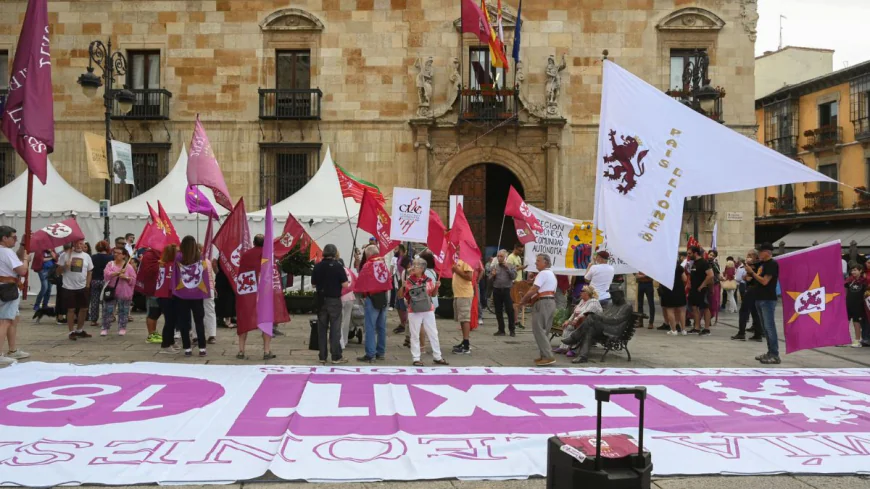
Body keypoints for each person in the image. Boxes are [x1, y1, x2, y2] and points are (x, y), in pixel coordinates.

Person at [236, 235, 277, 360]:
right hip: (264, 292)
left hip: (248, 291)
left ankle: (241, 350)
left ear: (253, 242)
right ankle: (266, 351)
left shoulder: (246, 255)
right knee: (266, 320)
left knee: (244, 319)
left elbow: (241, 273)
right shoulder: (267, 256)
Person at [403, 256, 448, 366]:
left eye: (416, 265)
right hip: (414, 310)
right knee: (414, 334)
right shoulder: (408, 280)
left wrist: (437, 287)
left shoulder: (428, 280)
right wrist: (403, 286)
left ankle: (437, 356)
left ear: (423, 268)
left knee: (433, 332)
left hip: (428, 309)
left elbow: (432, 294)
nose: (413, 267)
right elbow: (402, 295)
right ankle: (416, 358)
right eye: (413, 264)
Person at [312, 244, 349, 364]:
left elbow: (313, 284)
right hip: (334, 300)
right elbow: (345, 285)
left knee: (322, 328)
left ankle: (322, 356)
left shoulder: (317, 266)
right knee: (335, 329)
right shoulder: (338, 266)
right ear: (334, 253)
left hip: (321, 300)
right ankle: (336, 356)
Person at [519, 254, 558, 366]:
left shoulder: (543, 273)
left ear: (545, 262)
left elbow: (534, 289)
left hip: (542, 302)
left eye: (538, 261)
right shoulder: (551, 274)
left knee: (539, 330)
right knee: (544, 330)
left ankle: (548, 356)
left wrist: (523, 300)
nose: (536, 263)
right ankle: (544, 355)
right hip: (549, 302)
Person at [173, 236, 208, 357]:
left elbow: (175, 275)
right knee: (199, 321)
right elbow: (204, 275)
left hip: (182, 294)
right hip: (197, 294)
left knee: (183, 321)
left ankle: (187, 348)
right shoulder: (199, 257)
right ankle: (202, 348)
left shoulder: (178, 257)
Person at [746, 242, 780, 364]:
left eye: (760, 252)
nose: (758, 254)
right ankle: (769, 352)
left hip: (768, 299)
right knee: (765, 327)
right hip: (759, 298)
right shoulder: (762, 264)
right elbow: (751, 278)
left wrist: (752, 273)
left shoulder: (772, 264)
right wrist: (749, 272)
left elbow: (765, 281)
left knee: (770, 327)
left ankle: (774, 354)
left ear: (767, 252)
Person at [0, 226, 30, 365]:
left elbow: (15, 259)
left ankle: (12, 349)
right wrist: (26, 259)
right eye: (13, 237)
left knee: (13, 319)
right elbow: (22, 270)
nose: (15, 240)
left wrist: (23, 245)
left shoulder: (6, 252)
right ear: (4, 238)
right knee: (5, 321)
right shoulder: (6, 252)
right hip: (7, 287)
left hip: (4, 286)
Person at [57, 239, 94, 341]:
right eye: (76, 243)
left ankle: (79, 330)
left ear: (84, 245)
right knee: (71, 309)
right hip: (69, 287)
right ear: (73, 244)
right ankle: (71, 331)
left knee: (84, 308)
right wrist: (65, 266)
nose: (79, 245)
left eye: (81, 244)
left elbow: (90, 271)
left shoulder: (86, 256)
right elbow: (58, 272)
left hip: (82, 287)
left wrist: (87, 284)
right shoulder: (65, 255)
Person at [357, 245, 389, 363]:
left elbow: (361, 281)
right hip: (383, 296)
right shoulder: (383, 264)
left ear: (368, 254)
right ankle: (381, 352)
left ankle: (370, 354)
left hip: (372, 297)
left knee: (370, 327)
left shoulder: (368, 265)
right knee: (381, 327)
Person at [552, 285, 602, 354]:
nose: (580, 292)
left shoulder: (593, 302)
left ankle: (573, 350)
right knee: (567, 327)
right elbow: (575, 312)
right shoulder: (582, 301)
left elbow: (585, 313)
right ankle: (564, 348)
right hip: (580, 322)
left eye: (582, 291)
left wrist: (575, 320)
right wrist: (568, 321)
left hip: (592, 325)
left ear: (586, 293)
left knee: (577, 329)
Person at [100, 246, 136, 336]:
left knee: (123, 310)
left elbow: (134, 279)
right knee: (107, 310)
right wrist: (116, 273)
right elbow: (106, 275)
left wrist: (126, 277)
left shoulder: (129, 266)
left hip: (124, 291)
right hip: (111, 290)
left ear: (124, 255)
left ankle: (122, 327)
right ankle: (105, 327)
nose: (116, 255)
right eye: (114, 252)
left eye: (118, 253)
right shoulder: (110, 264)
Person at [732, 250, 763, 341]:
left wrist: (748, 273)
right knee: (755, 312)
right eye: (747, 255)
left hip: (753, 290)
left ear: (755, 256)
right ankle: (758, 334)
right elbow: (746, 277)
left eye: (750, 255)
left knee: (744, 311)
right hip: (752, 289)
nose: (748, 257)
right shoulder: (751, 265)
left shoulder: (757, 265)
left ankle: (741, 333)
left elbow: (752, 277)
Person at [450, 255, 475, 355]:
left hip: (464, 294)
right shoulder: (458, 260)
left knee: (465, 319)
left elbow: (469, 277)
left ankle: (466, 345)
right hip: (458, 293)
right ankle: (464, 341)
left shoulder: (466, 260)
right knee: (461, 318)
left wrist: (456, 270)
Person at [687, 246, 713, 336]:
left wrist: (702, 285)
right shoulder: (694, 263)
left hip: (701, 289)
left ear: (695, 253)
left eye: (690, 253)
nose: (688, 255)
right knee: (694, 308)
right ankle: (696, 327)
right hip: (694, 289)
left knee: (705, 308)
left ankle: (707, 329)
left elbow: (710, 275)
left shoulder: (704, 263)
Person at [490, 249, 517, 337]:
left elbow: (513, 276)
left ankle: (512, 329)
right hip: (497, 290)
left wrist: (507, 268)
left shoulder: (511, 266)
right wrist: (492, 276)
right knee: (498, 311)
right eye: (498, 256)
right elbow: (489, 280)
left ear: (505, 257)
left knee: (510, 310)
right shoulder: (494, 266)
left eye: (501, 256)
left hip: (507, 290)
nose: (499, 258)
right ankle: (501, 330)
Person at [659, 257, 688, 335]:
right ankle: (683, 330)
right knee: (681, 310)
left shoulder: (664, 268)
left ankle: (674, 330)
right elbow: (685, 279)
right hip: (679, 290)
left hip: (668, 290)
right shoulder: (679, 267)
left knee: (670, 310)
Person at [87, 240, 112, 327]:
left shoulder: (92, 257)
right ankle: (106, 319)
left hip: (94, 280)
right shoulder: (110, 258)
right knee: (106, 301)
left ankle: (93, 320)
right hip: (105, 281)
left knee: (94, 300)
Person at [338, 251, 358, 349]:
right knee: (346, 320)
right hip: (350, 297)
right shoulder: (349, 270)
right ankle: (345, 340)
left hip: (340, 297)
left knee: (339, 320)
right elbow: (356, 282)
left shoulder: (337, 270)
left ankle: (340, 342)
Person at [844, 264, 866, 348]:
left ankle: (857, 340)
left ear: (860, 271)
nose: (853, 272)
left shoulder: (864, 281)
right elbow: (845, 292)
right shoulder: (849, 281)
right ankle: (844, 339)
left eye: (855, 270)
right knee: (846, 322)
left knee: (856, 322)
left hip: (858, 305)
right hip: (848, 304)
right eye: (852, 270)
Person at [34, 247, 57, 312]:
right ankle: (37, 304)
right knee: (44, 287)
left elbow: (55, 257)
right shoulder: (40, 249)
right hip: (43, 270)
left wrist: (50, 251)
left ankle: (45, 304)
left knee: (49, 289)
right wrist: (51, 257)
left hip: (51, 270)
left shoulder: (52, 249)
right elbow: (41, 260)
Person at [708, 250, 722, 324]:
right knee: (706, 303)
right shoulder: (705, 263)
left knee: (714, 303)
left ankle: (710, 317)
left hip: (715, 284)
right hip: (707, 284)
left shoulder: (715, 264)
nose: (711, 256)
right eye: (710, 254)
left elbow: (718, 274)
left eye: (713, 255)